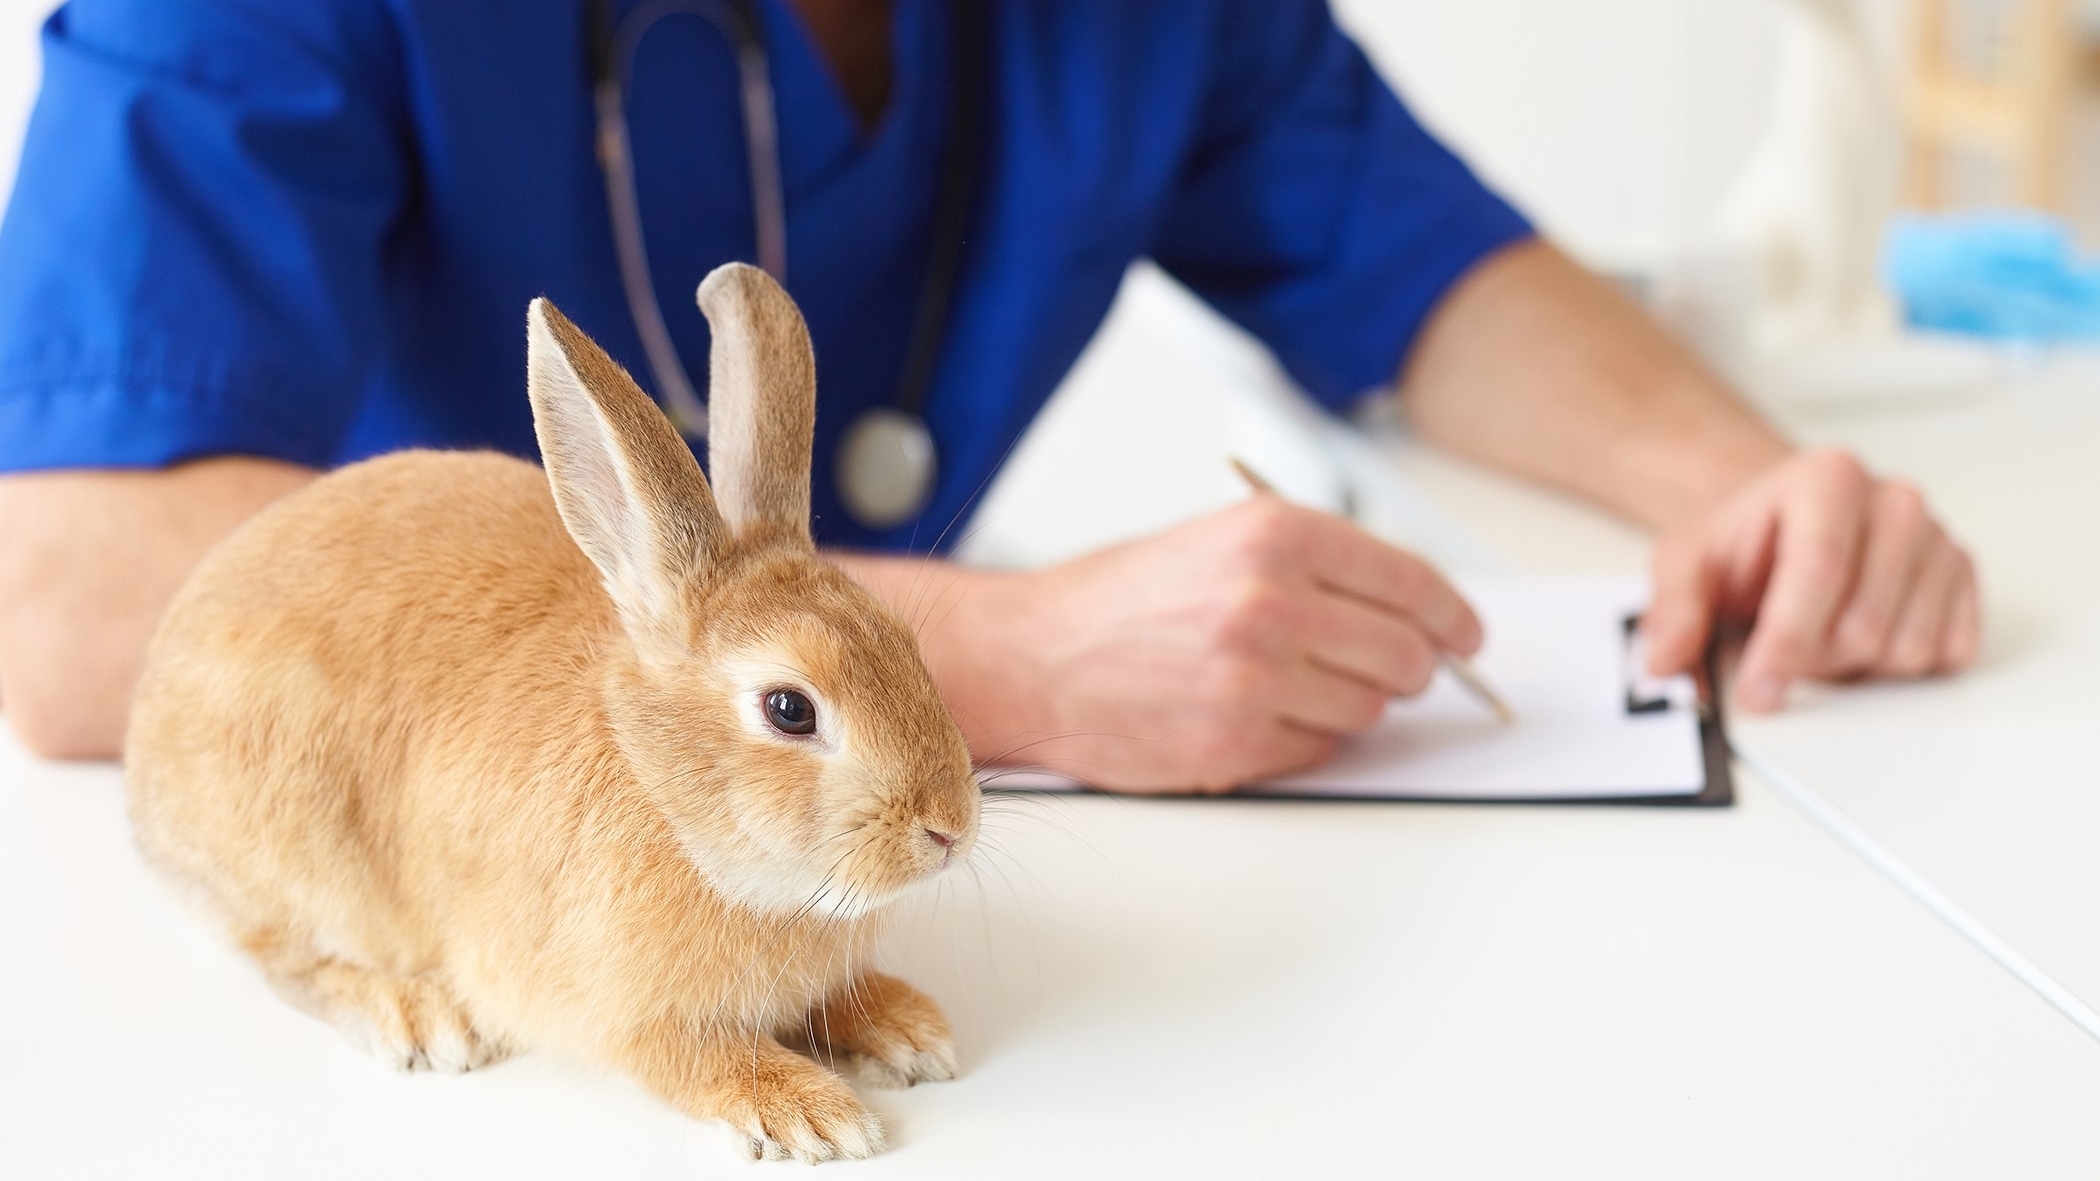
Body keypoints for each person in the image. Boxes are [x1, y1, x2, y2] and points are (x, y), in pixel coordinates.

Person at [0, 0, 1977, 788]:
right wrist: (1001, 662)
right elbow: (75, 598)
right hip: (465, 890)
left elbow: (1422, 263)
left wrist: (1745, 478)